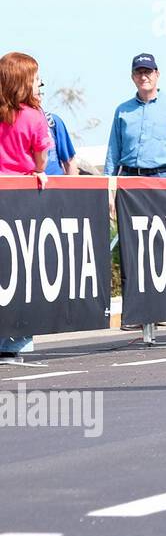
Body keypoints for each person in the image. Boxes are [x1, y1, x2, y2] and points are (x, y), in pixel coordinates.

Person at [0, 52, 50, 363]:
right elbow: (41, 158)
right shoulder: (34, 116)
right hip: (20, 197)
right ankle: (15, 342)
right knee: (18, 269)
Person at [104, 53, 166, 178]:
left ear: (157, 74)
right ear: (133, 77)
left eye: (147, 72)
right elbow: (113, 150)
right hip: (129, 180)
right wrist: (108, 179)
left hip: (165, 179)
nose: (143, 77)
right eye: (138, 72)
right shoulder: (122, 111)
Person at [34, 79, 76, 176]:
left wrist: (73, 190)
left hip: (54, 187)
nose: (39, 98)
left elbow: (70, 162)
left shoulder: (52, 121)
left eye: (40, 93)